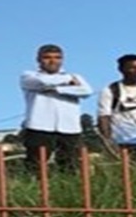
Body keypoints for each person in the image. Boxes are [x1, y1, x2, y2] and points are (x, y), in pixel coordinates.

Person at [19, 44, 92, 173]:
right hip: (39, 126)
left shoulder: (76, 76)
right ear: (38, 59)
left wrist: (57, 89)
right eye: (47, 57)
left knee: (70, 164)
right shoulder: (29, 75)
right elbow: (41, 83)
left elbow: (86, 91)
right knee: (35, 165)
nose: (53, 61)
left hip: (70, 127)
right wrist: (68, 82)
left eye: (57, 58)